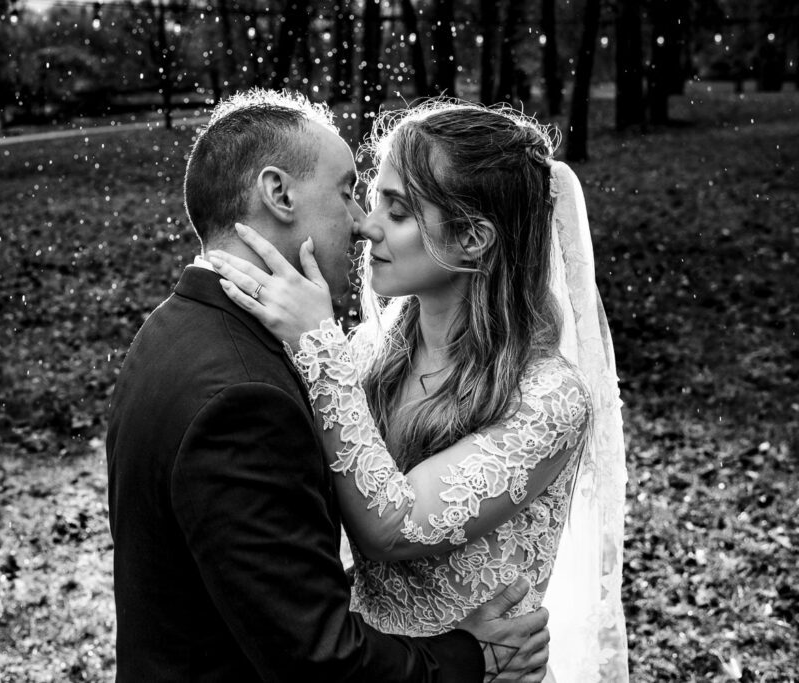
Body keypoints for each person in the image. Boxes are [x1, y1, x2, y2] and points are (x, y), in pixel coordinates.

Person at [106, 89, 552, 682]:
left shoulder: (170, 331)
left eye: (394, 209)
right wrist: (471, 658)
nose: (362, 224)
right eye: (349, 192)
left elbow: (263, 569)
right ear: (279, 193)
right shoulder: (248, 395)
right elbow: (320, 659)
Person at [210, 99, 630, 682]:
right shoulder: (365, 359)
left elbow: (394, 528)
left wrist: (316, 345)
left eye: (399, 210)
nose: (366, 225)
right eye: (372, 197)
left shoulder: (548, 399)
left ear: (474, 238)